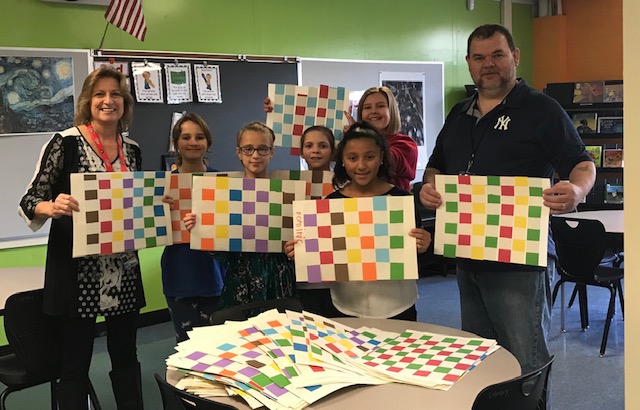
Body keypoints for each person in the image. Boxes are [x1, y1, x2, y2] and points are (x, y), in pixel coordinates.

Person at [419, 24, 595, 376]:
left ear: (514, 57)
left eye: (497, 55)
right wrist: (429, 185)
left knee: (524, 358)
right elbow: (436, 165)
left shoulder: (542, 110)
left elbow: (582, 163)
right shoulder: (459, 113)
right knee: (478, 356)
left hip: (518, 260)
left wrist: (577, 190)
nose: (489, 64)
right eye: (480, 57)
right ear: (468, 62)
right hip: (467, 255)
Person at [18, 67, 144, 409]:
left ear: (124, 102)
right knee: (74, 361)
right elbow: (29, 201)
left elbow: (135, 205)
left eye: (115, 94)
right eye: (100, 94)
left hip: (122, 268)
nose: (108, 100)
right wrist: (51, 204)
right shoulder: (66, 142)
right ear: (88, 101)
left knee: (126, 356)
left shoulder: (131, 149)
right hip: (79, 270)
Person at [284, 122, 431, 320]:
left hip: (398, 303)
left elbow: (414, 254)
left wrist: (423, 245)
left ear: (381, 158)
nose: (361, 165)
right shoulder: (332, 203)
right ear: (342, 160)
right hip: (346, 304)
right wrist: (302, 253)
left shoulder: (401, 200)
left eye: (369, 157)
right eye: (352, 158)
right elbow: (324, 259)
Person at [184, 122, 296, 308]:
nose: (255, 155)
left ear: (272, 152)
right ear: (239, 153)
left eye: (262, 149)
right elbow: (221, 252)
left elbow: (294, 241)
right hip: (240, 283)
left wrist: (296, 249)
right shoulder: (226, 193)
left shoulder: (285, 193)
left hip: (279, 281)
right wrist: (201, 229)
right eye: (248, 149)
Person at [264, 85, 419, 191]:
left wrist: (359, 135)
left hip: (393, 210)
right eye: (367, 107)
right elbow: (317, 137)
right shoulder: (350, 142)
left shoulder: (405, 144)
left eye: (380, 106)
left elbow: (388, 160)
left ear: (391, 110)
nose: (373, 111)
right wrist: (278, 109)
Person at [161, 113, 225, 343]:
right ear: (176, 143)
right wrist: (157, 210)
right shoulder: (163, 185)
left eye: (199, 137)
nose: (193, 142)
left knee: (220, 346)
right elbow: (149, 230)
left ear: (207, 142)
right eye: (186, 137)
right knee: (187, 347)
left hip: (215, 273)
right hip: (179, 273)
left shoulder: (223, 182)